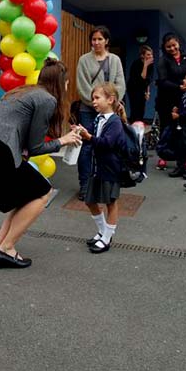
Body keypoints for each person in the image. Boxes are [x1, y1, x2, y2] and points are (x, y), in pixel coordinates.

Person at [0, 58, 83, 268]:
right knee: (43, 191)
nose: (68, 86)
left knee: (25, 195)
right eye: (67, 82)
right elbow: (36, 148)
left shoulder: (24, 91)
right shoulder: (47, 100)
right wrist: (63, 141)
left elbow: (28, 137)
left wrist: (63, 136)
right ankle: (7, 248)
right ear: (60, 82)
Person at [75, 26, 126, 201]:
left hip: (110, 109)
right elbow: (82, 86)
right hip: (88, 108)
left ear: (106, 41)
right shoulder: (84, 60)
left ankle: (105, 183)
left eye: (100, 39)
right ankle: (84, 184)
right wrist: (97, 103)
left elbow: (120, 83)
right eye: (94, 39)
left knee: (107, 146)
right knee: (87, 146)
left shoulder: (115, 60)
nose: (96, 42)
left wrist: (111, 103)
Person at [78, 83, 129, 254]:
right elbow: (91, 137)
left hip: (111, 168)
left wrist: (89, 137)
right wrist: (82, 132)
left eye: (97, 98)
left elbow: (107, 143)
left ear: (110, 100)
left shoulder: (115, 122)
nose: (94, 102)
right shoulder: (98, 118)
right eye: (93, 98)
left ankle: (107, 237)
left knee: (110, 202)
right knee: (90, 200)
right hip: (96, 167)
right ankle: (102, 231)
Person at [154, 34, 186, 170]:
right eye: (168, 47)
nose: (172, 48)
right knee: (166, 128)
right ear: (164, 47)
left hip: (185, 99)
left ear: (178, 43)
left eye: (174, 45)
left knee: (184, 129)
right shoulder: (163, 60)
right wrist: (179, 86)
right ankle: (163, 155)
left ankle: (184, 158)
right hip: (166, 99)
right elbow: (162, 81)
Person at [126, 44, 155, 123]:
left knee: (142, 109)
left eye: (151, 54)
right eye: (148, 54)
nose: (150, 56)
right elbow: (142, 78)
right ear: (142, 55)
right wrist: (145, 65)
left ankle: (139, 125)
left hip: (142, 88)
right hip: (133, 88)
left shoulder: (151, 65)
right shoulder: (136, 64)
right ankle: (133, 126)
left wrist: (148, 92)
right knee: (135, 109)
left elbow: (148, 80)